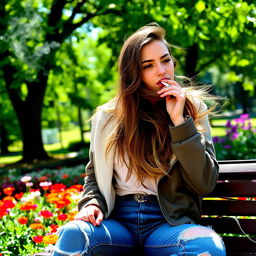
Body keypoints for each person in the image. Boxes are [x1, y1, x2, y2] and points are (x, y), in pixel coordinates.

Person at [52, 23, 226, 256]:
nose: (162, 71)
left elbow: (204, 181)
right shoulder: (107, 117)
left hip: (168, 223)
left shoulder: (193, 108)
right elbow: (94, 175)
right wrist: (92, 203)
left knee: (207, 247)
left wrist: (179, 122)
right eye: (148, 65)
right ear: (133, 72)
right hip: (117, 223)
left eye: (166, 60)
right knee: (74, 233)